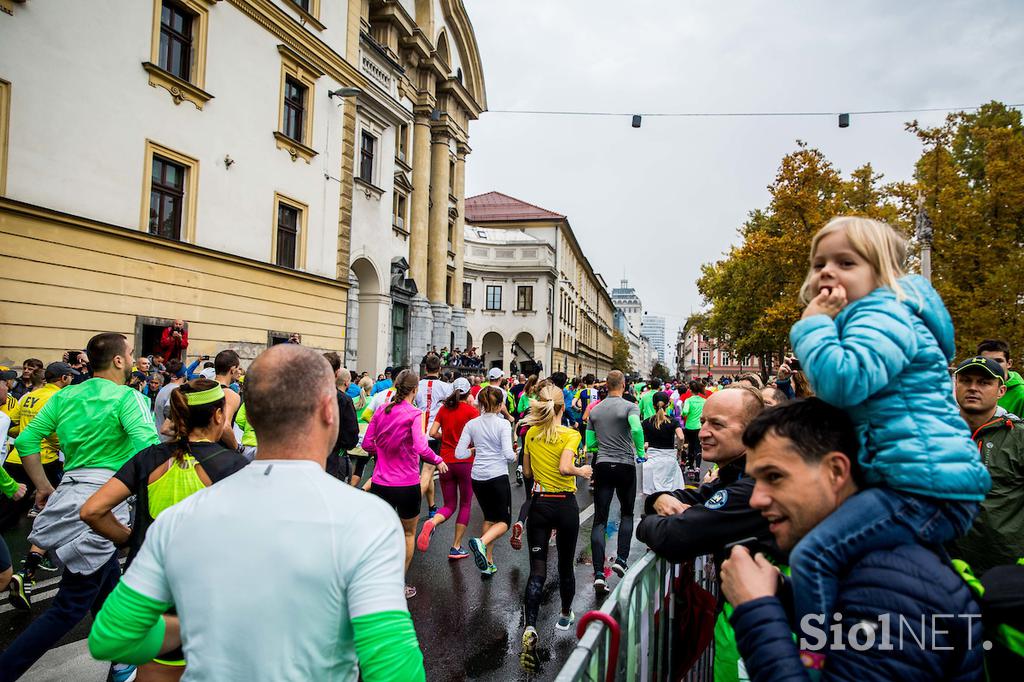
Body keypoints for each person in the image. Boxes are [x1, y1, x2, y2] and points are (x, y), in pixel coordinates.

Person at [87, 344, 426, 680]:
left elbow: (112, 637)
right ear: (328, 410)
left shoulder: (180, 517)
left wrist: (200, 625)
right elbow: (394, 671)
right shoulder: (367, 520)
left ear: (249, 413)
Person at [787, 216, 989, 669]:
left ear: (882, 271)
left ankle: (812, 661)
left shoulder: (883, 313)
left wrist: (812, 326)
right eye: (820, 263)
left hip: (920, 484)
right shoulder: (886, 314)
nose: (827, 272)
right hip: (925, 479)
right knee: (910, 578)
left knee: (814, 555)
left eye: (845, 262)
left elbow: (845, 382)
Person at [722, 398, 983, 680]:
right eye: (754, 480)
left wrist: (756, 610)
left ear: (836, 471)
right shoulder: (862, 567)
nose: (756, 499)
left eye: (774, 476)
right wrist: (783, 597)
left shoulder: (890, 589)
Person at [2, 332, 160, 682]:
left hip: (68, 493)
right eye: (132, 354)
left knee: (107, 584)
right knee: (69, 606)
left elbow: (26, 440)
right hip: (106, 502)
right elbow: (148, 452)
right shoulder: (129, 398)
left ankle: (122, 662)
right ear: (119, 360)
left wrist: (44, 487)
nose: (134, 360)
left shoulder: (65, 395)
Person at [80, 378, 248, 679]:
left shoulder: (149, 457)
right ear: (219, 416)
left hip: (149, 591)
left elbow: (92, 510)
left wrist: (132, 540)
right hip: (204, 598)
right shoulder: (233, 467)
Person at [636, 386, 771, 565]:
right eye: (703, 422)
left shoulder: (753, 486)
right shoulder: (733, 475)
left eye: (717, 424)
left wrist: (645, 524)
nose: (702, 433)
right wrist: (658, 499)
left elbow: (673, 537)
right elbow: (699, 496)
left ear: (753, 430)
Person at [519, 384, 592, 671]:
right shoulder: (571, 434)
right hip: (564, 505)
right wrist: (581, 470)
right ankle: (564, 614)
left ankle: (530, 625)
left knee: (537, 569)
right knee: (564, 565)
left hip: (539, 504)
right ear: (562, 408)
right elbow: (565, 467)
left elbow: (526, 472)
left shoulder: (531, 434)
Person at [362, 370, 447, 599]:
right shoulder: (414, 414)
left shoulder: (381, 410)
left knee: (383, 534)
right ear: (415, 390)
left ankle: (377, 582)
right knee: (408, 534)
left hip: (380, 482)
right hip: (407, 484)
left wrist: (381, 454)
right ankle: (398, 586)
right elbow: (420, 448)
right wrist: (437, 460)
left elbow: (367, 443)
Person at [949, 356, 1024, 574]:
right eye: (966, 380)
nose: (973, 388)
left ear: (1001, 391)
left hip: (1004, 569)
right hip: (945, 563)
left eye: (984, 382)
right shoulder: (938, 434)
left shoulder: (1017, 437)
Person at [585, 370, 644, 593]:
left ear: (606, 385)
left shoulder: (595, 409)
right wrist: (639, 451)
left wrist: (600, 447)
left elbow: (590, 442)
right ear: (624, 384)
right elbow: (636, 428)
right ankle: (621, 559)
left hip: (603, 465)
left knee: (600, 519)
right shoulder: (630, 406)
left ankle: (599, 573)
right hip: (626, 465)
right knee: (627, 513)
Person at [455, 386, 515, 575]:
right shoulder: (503, 424)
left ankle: (488, 562)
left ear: (481, 404)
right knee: (504, 522)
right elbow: (507, 455)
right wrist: (515, 454)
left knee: (489, 517)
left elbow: (459, 453)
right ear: (499, 405)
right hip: (497, 476)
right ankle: (481, 543)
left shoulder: (472, 424)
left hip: (478, 477)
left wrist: (473, 451)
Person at [420, 377, 478, 559]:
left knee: (449, 504)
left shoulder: (444, 409)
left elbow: (431, 432)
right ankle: (455, 546)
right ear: (469, 393)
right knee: (466, 503)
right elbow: (477, 436)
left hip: (445, 461)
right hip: (465, 461)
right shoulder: (471, 411)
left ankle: (432, 521)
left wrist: (444, 439)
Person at [414, 354, 452, 519]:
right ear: (440, 369)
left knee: (424, 472)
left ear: (425, 368)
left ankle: (432, 507)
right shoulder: (446, 387)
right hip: (433, 434)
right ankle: (413, 507)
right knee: (428, 472)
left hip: (416, 432)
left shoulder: (416, 385)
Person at [322, 353, 360, 482]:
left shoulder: (306, 394)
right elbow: (351, 435)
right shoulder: (343, 399)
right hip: (333, 457)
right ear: (337, 372)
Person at [641, 391, 686, 496]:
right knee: (671, 494)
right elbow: (681, 437)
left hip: (652, 461)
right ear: (668, 404)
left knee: (652, 495)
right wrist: (679, 450)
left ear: (653, 405)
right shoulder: (673, 421)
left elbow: (643, 442)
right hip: (669, 460)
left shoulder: (646, 422)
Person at [976, 339, 1024, 417]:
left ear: (1009, 363)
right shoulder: (971, 388)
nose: (993, 365)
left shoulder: (1021, 395)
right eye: (987, 361)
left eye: (998, 361)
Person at [212, 350, 242, 450]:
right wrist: (237, 448)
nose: (240, 371)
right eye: (238, 368)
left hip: (191, 453)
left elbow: (167, 428)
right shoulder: (229, 395)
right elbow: (225, 426)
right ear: (232, 369)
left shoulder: (201, 389)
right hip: (219, 452)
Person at [680, 380, 706, 471]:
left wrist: (682, 414)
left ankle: (691, 467)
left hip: (689, 426)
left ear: (690, 390)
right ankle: (698, 468)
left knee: (690, 447)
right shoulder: (704, 401)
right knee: (698, 447)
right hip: (699, 427)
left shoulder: (688, 400)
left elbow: (685, 412)